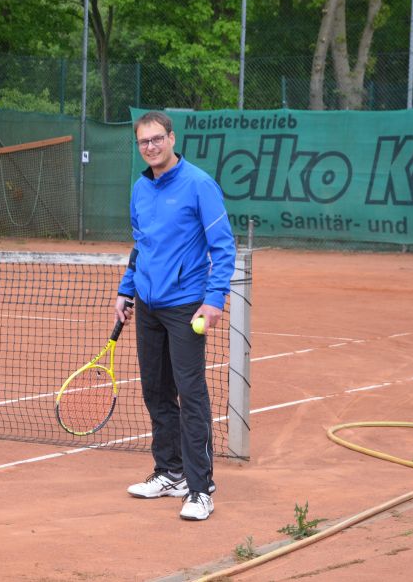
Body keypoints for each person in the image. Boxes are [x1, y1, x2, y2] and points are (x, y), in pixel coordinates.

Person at [115, 110, 235, 521]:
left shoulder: (199, 185)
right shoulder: (139, 189)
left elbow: (223, 248)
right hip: (148, 305)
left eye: (156, 139)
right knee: (156, 392)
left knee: (192, 394)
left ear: (171, 138)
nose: (150, 146)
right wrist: (126, 290)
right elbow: (140, 244)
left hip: (186, 305)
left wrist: (214, 300)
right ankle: (170, 472)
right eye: (143, 141)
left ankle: (200, 489)